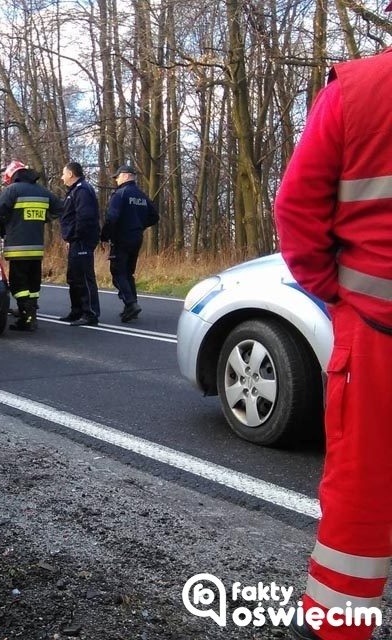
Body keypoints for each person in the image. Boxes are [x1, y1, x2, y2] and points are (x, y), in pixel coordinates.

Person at [274, 45, 392, 640]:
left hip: (378, 337)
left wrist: (336, 291)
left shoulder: (359, 89)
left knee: (363, 494)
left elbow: (295, 206)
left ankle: (339, 628)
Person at [0, 160, 62, 331]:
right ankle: (32, 314)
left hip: (17, 247)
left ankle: (27, 318)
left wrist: (6, 221)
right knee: (33, 284)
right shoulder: (42, 191)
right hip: (37, 247)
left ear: (12, 176)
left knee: (18, 284)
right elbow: (60, 208)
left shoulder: (12, 190)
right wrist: (43, 218)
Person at [100, 163, 158, 323]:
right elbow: (154, 216)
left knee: (118, 272)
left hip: (121, 238)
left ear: (125, 175)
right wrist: (139, 225)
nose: (116, 180)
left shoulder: (120, 194)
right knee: (128, 273)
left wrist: (104, 236)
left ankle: (131, 304)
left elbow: (112, 218)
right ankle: (131, 306)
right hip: (136, 237)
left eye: (117, 177)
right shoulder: (141, 195)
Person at [58, 161, 101, 326]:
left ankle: (90, 313)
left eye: (63, 174)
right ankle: (76, 311)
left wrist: (76, 236)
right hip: (75, 241)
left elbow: (85, 217)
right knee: (73, 277)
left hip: (82, 241)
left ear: (71, 174)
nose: (62, 178)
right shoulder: (74, 190)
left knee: (83, 277)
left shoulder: (82, 190)